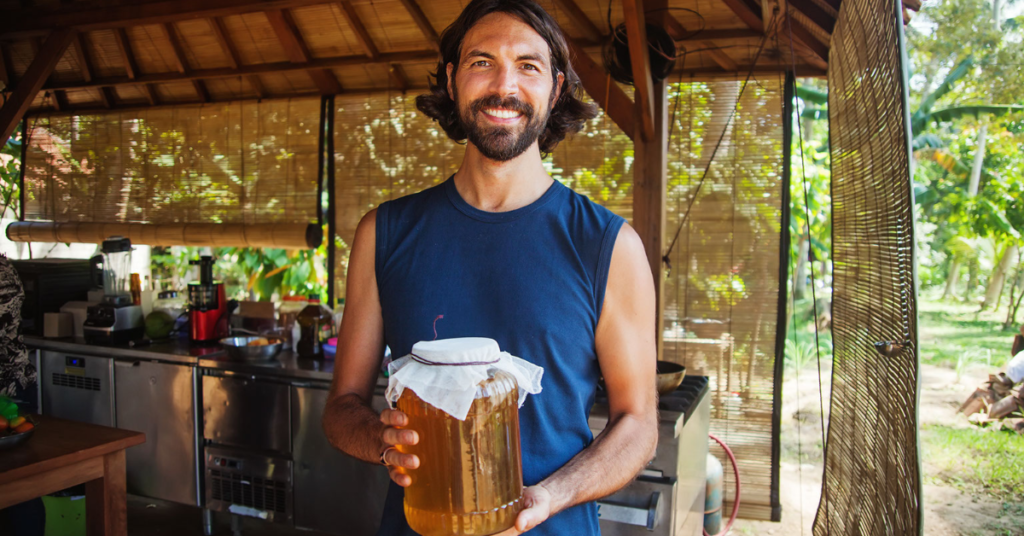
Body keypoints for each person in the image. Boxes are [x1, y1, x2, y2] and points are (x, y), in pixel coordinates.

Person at [321, 1, 659, 534]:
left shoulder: (609, 246)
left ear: (557, 88)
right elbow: (342, 407)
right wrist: (383, 443)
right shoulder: (383, 233)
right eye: (482, 62)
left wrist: (550, 495)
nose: (505, 86)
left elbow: (638, 424)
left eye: (528, 66)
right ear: (453, 80)